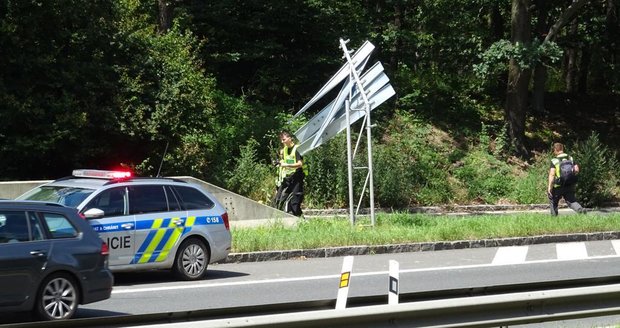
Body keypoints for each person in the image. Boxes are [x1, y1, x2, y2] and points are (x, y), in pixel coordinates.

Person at [547, 142, 586, 216]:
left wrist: (550, 187)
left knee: (553, 201)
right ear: (562, 148)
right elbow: (577, 169)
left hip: (558, 186)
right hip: (569, 184)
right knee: (571, 201)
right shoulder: (570, 158)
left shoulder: (554, 160)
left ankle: (554, 217)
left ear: (555, 150)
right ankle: (580, 210)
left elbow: (552, 174)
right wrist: (570, 177)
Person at [274, 130, 305, 217]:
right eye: (281, 140)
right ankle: (278, 219)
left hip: (297, 177)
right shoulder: (284, 150)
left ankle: (301, 219)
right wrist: (279, 163)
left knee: (294, 203)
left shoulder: (297, 149)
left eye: (284, 139)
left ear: (290, 138)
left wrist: (286, 164)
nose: (282, 141)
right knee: (278, 199)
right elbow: (283, 162)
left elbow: (300, 164)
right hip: (288, 178)